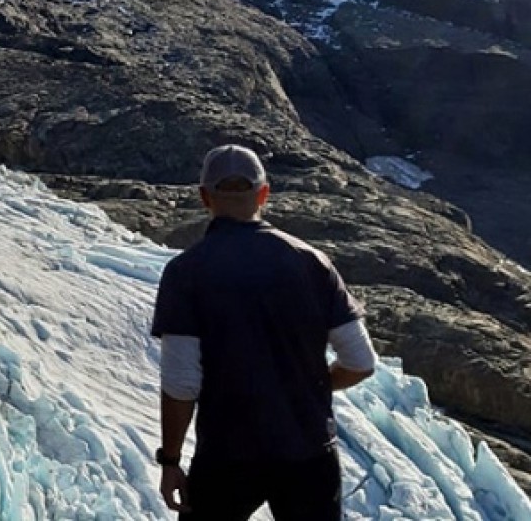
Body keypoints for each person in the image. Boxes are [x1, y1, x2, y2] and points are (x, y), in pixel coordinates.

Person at [151, 144, 377, 520]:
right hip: (310, 453)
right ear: (264, 194)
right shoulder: (312, 262)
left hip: (227, 456)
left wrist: (170, 461)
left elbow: (181, 383)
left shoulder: (185, 272)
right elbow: (360, 361)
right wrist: (309, 383)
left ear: (204, 197)